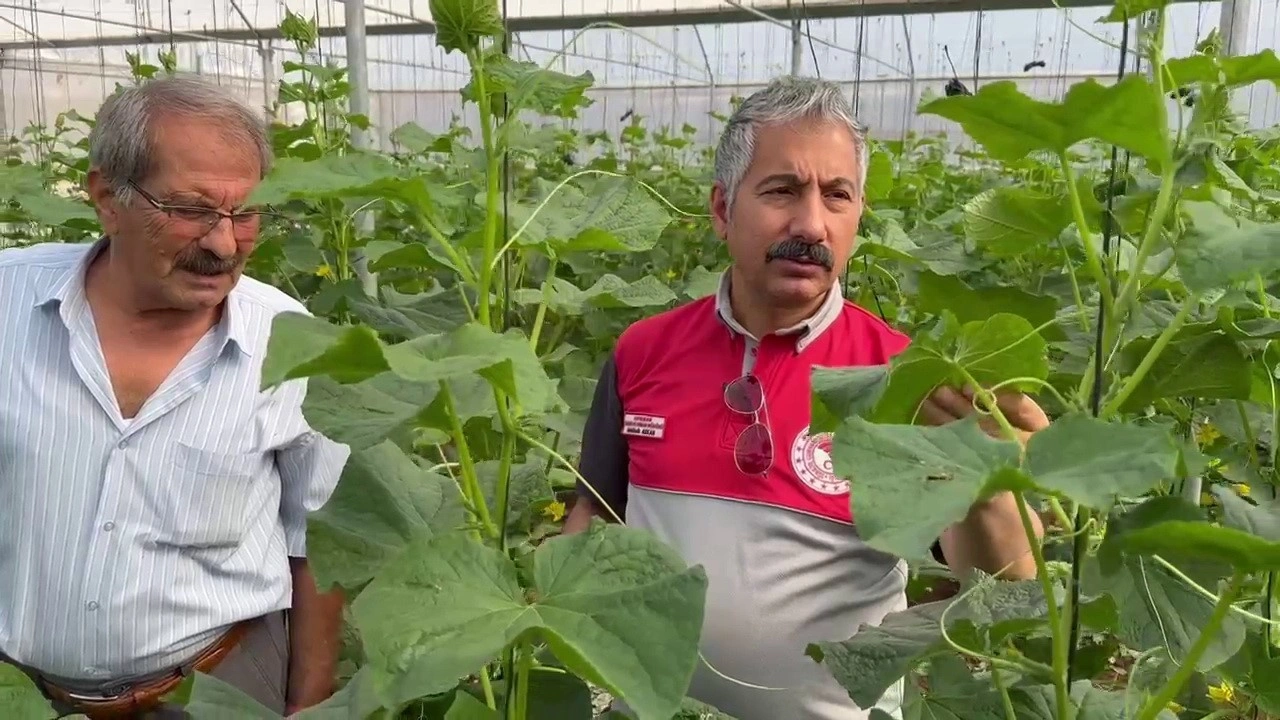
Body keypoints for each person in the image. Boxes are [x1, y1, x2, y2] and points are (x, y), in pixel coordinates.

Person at [563, 76, 1050, 720]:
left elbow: (1003, 582)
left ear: (858, 215)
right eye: (782, 191)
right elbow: (592, 518)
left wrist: (987, 483)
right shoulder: (642, 352)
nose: (811, 224)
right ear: (722, 209)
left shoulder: (906, 377)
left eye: (837, 195)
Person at [0, 76, 349, 718]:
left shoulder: (294, 341)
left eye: (247, 214)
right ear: (107, 197)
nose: (223, 245)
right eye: (191, 210)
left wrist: (309, 707)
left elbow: (321, 539)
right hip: (18, 694)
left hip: (217, 689)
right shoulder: (7, 305)